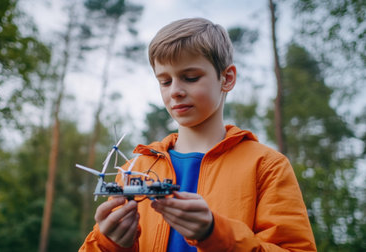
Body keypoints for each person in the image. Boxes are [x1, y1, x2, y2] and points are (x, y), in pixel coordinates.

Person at [79, 17, 317, 251]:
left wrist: (215, 234)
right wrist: (109, 244)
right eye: (164, 81)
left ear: (227, 78)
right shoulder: (136, 169)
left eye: (190, 78)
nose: (175, 91)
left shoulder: (266, 167)